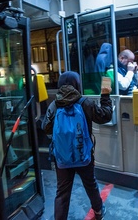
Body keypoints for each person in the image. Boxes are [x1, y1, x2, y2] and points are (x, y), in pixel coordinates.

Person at [41, 71, 113, 220]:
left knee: (62, 192)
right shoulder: (84, 102)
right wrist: (105, 95)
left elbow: (45, 127)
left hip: (62, 158)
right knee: (90, 183)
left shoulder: (55, 104)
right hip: (84, 155)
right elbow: (105, 115)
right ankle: (98, 211)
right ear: (77, 84)